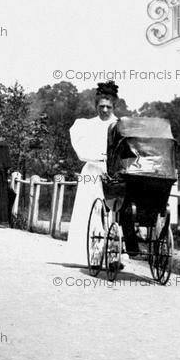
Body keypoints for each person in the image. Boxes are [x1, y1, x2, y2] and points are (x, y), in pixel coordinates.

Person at [68, 80, 139, 260]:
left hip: (114, 174)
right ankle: (92, 254)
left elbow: (129, 152)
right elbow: (82, 151)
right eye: (101, 106)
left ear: (114, 105)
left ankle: (115, 254)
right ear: (96, 105)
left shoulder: (121, 125)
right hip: (93, 173)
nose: (105, 110)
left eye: (108, 106)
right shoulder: (86, 125)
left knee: (115, 213)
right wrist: (100, 158)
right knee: (92, 211)